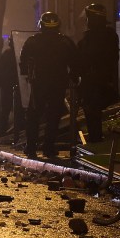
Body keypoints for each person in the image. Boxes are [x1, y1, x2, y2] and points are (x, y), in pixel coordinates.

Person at [19, 11, 78, 158]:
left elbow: (23, 62)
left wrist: (28, 75)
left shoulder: (32, 41)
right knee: (54, 117)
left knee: (34, 116)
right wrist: (73, 78)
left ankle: (31, 147)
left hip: (39, 84)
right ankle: (48, 147)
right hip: (58, 85)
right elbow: (76, 63)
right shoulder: (66, 42)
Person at [77, 3, 120, 143]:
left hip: (94, 81)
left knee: (92, 113)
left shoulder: (93, 38)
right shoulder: (110, 35)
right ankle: (97, 139)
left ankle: (96, 140)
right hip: (102, 80)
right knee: (94, 112)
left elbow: (86, 57)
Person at [0, 37, 19, 136]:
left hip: (10, 86)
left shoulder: (7, 54)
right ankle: (6, 131)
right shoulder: (13, 54)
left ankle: (3, 131)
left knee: (6, 109)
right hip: (13, 86)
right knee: (7, 109)